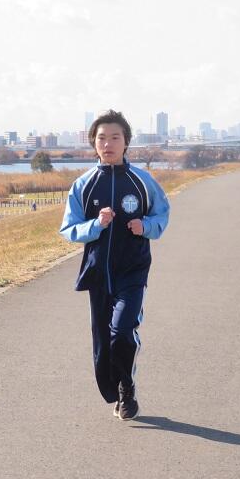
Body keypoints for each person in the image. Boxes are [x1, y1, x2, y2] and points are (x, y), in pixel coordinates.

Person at [59, 110, 170, 421]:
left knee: (121, 332)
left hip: (133, 271)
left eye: (115, 137)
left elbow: (162, 215)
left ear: (126, 142)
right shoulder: (83, 185)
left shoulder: (142, 181)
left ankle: (127, 390)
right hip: (98, 274)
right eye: (101, 138)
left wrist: (145, 226)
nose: (108, 144)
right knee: (103, 343)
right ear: (94, 143)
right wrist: (96, 225)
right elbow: (69, 229)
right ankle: (116, 387)